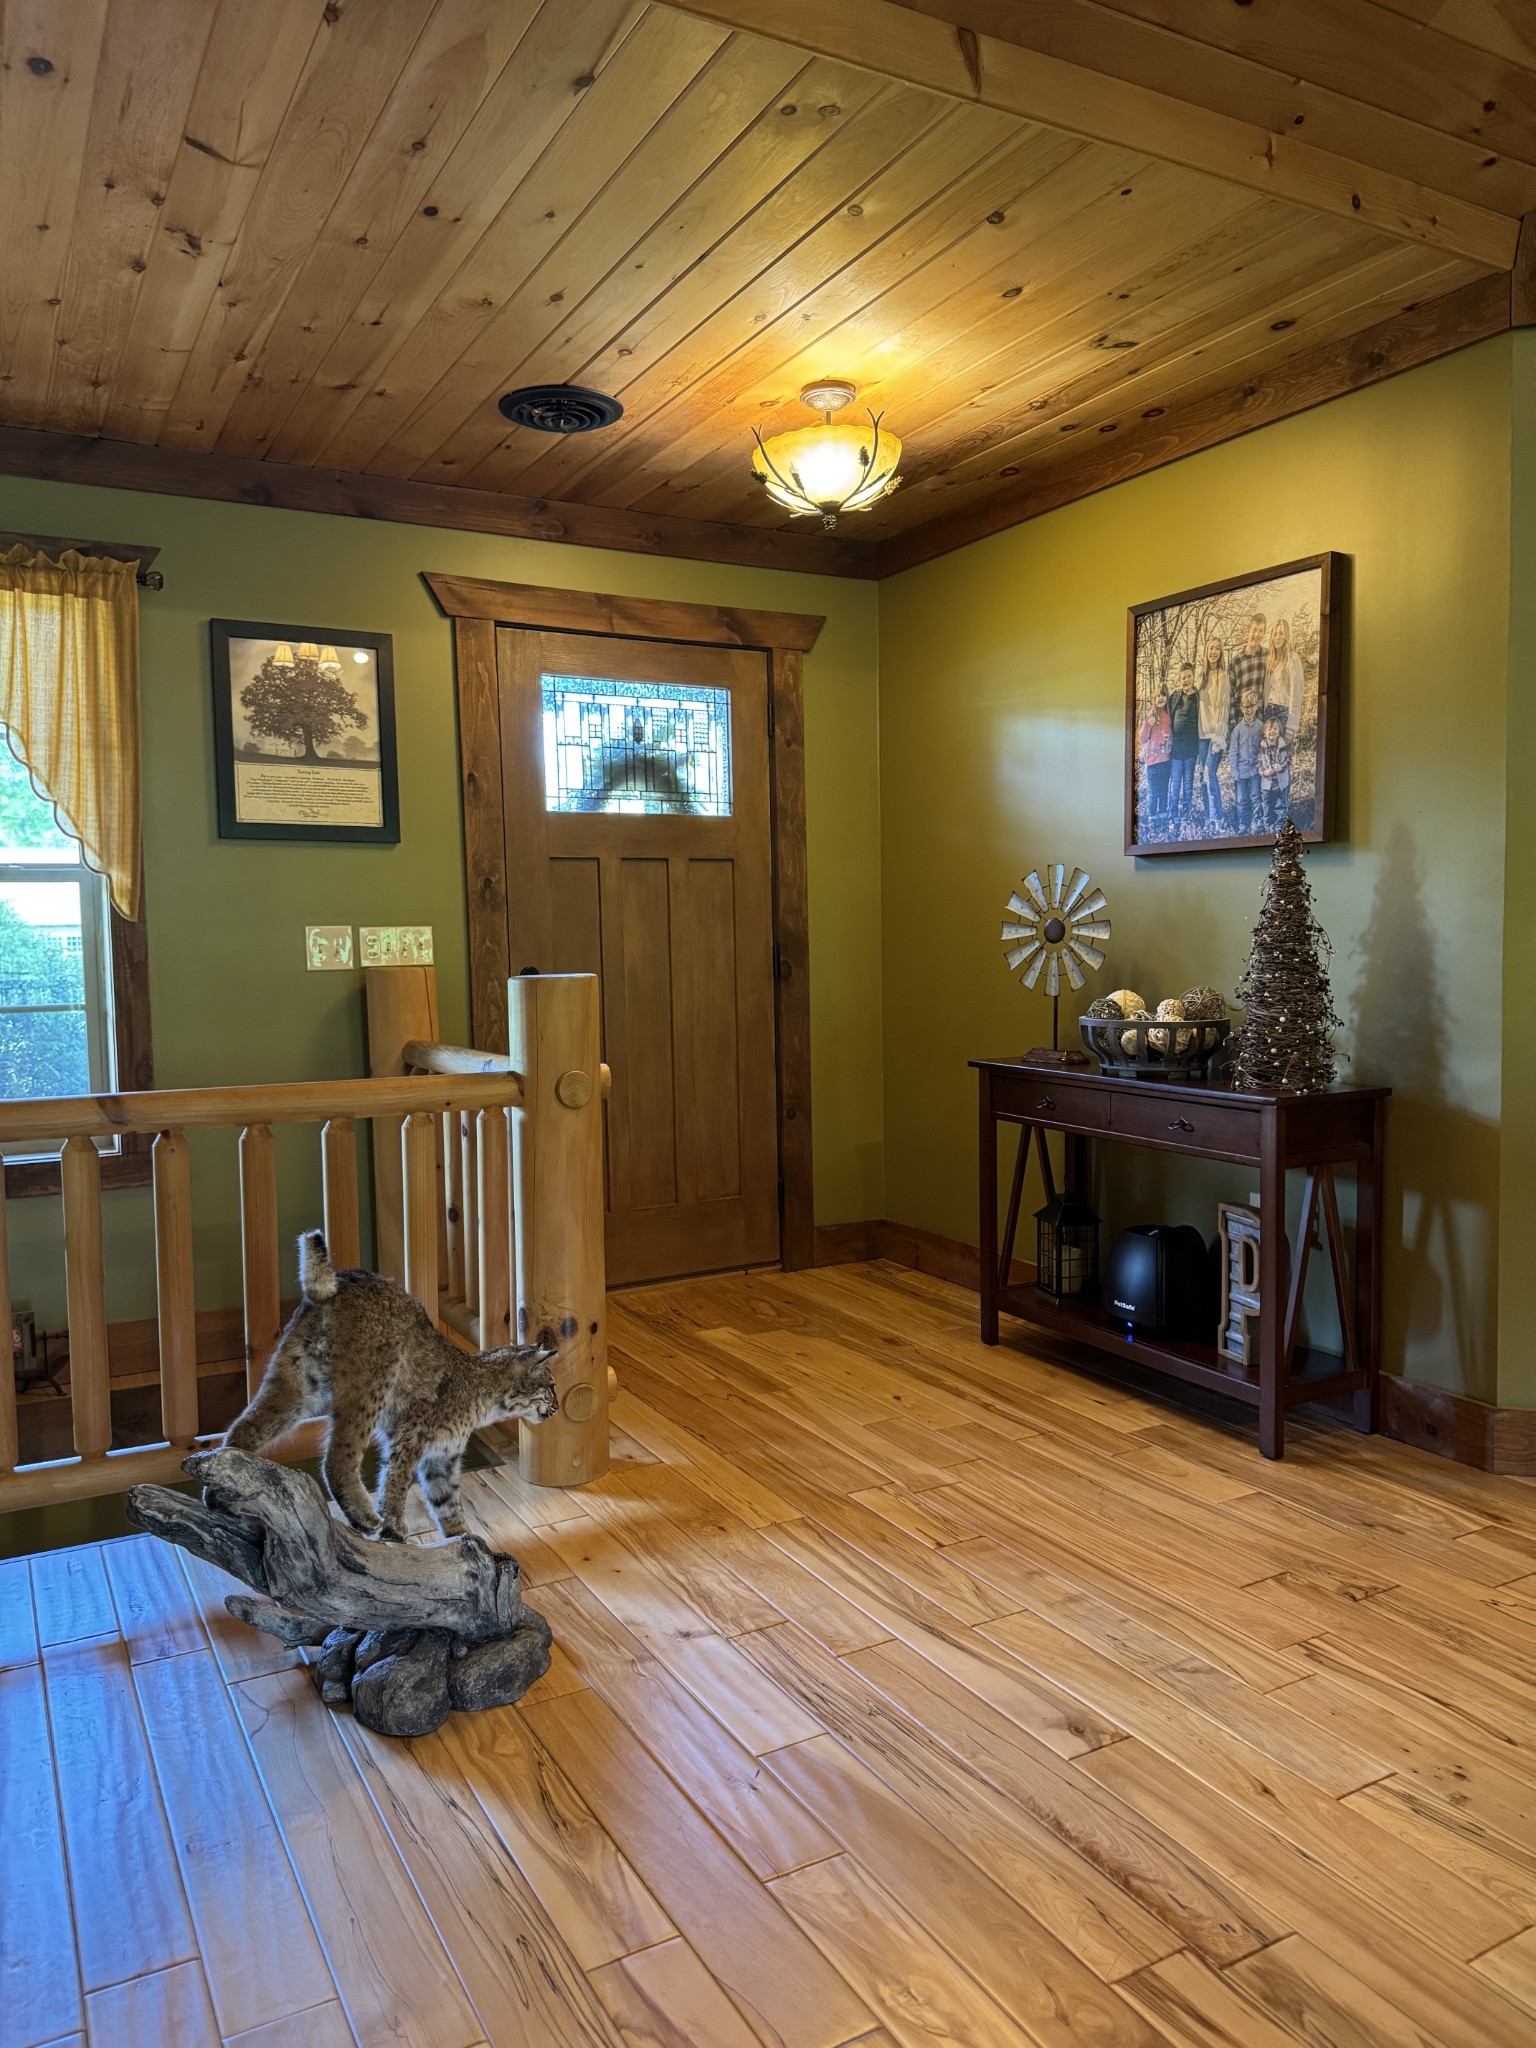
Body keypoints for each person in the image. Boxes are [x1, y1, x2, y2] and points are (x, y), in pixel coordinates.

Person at [1196, 634, 1229, 829]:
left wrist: (1219, 736)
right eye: (1211, 648)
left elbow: (1223, 707)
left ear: (1221, 652)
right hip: (1201, 736)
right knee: (1202, 776)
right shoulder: (1201, 677)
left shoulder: (1222, 676)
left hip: (1215, 735)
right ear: (1206, 652)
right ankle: (1208, 819)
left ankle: (1218, 819)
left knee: (1210, 773)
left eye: (1217, 648)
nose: (1214, 652)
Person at [1166, 662, 1201, 828]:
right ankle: (1172, 815)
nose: (1186, 680)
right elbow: (1166, 715)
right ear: (1179, 680)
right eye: (1183, 678)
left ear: (1193, 677)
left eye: (1189, 676)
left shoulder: (1198, 697)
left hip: (1191, 749)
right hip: (1176, 749)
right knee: (1175, 785)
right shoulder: (1174, 696)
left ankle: (1186, 814)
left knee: (1188, 784)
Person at [1227, 682, 1263, 833]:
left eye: (1251, 706)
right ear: (1241, 708)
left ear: (1256, 706)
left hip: (1255, 769)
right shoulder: (1237, 730)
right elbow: (1233, 752)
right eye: (1245, 707)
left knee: (1255, 796)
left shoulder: (1261, 727)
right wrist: (1234, 770)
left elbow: (1264, 748)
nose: (1249, 710)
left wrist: (1262, 766)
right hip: (1241, 770)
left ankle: (1256, 822)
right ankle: (1242, 824)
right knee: (1241, 799)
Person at [1265, 616, 1307, 738]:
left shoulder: (1292, 659)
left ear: (1286, 636)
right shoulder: (1270, 659)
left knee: (1283, 755)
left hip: (1284, 713)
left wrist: (1291, 726)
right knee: (1267, 756)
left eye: (1281, 634)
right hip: (1268, 712)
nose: (1277, 637)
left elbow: (1296, 694)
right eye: (1275, 634)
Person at [1139, 680, 1173, 831]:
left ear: (1167, 697)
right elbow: (1142, 739)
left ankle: (1163, 820)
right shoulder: (1151, 715)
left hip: (1166, 760)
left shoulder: (1169, 715)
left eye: (1163, 695)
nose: (1160, 698)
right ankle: (1152, 820)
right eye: (1158, 695)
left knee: (1164, 792)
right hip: (1152, 762)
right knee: (1154, 793)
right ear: (1154, 697)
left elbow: (1171, 735)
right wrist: (1149, 723)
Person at [1259, 701, 1293, 831]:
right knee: (1267, 805)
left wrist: (1281, 766)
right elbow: (1258, 764)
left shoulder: (1283, 745)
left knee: (1280, 805)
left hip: (1280, 783)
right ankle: (1268, 825)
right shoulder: (1262, 746)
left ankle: (1280, 826)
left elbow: (1289, 760)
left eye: (1275, 729)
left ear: (1279, 731)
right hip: (1267, 782)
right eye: (1269, 729)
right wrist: (1264, 772)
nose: (1272, 731)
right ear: (1264, 732)